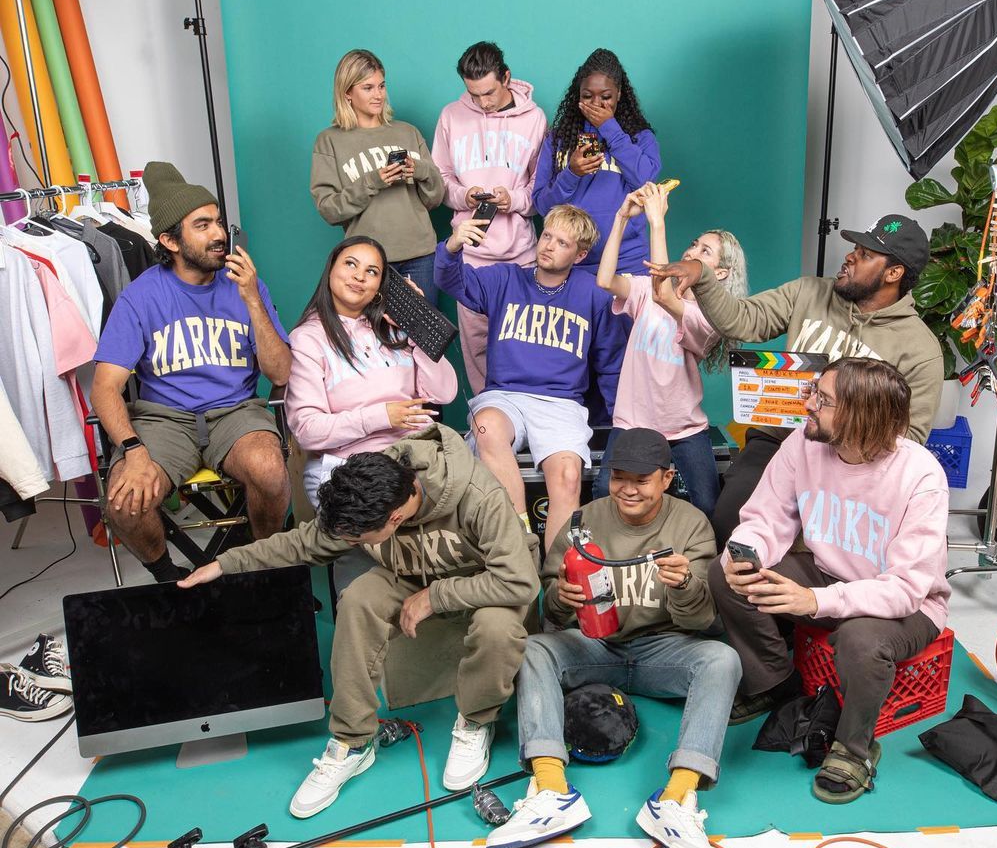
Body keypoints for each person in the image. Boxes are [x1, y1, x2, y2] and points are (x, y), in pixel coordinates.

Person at [179, 425, 540, 817]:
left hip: (489, 579)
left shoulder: (477, 495)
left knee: (496, 629)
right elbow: (303, 543)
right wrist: (226, 564)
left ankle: (476, 722)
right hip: (413, 575)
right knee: (357, 600)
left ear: (396, 518)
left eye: (358, 541)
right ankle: (353, 743)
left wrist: (435, 597)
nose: (352, 545)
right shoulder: (367, 491)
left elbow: (519, 580)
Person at [486, 428, 737, 848]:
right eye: (620, 477)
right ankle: (551, 789)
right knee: (534, 649)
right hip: (596, 646)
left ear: (667, 478)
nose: (628, 489)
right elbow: (550, 608)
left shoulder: (691, 525)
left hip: (662, 649)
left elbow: (701, 621)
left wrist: (684, 585)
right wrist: (561, 597)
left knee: (722, 659)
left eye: (642, 480)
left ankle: (676, 797)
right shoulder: (583, 521)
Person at [708, 357, 949, 803]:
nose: (807, 404)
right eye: (814, 393)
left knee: (860, 640)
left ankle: (855, 748)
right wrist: (746, 552)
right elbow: (766, 517)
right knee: (726, 575)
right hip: (825, 577)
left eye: (823, 399)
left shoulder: (921, 475)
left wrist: (814, 601)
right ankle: (774, 684)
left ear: (862, 416)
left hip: (907, 606)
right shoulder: (803, 443)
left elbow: (905, 588)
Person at [647, 212, 943, 547]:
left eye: (865, 255)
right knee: (729, 522)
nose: (850, 257)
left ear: (893, 273)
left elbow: (908, 438)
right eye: (855, 249)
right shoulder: (809, 292)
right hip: (778, 442)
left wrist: (844, 429)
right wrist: (702, 276)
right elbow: (744, 320)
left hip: (853, 465)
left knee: (817, 544)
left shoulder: (920, 350)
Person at [90, 162, 292, 583]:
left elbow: (281, 373)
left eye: (218, 222)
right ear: (170, 241)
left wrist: (252, 300)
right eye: (202, 225)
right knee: (124, 502)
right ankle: (170, 581)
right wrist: (133, 450)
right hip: (164, 421)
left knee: (270, 471)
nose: (218, 234)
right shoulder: (140, 296)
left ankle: (259, 570)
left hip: (235, 413)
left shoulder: (247, 286)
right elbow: (105, 387)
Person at [435, 204, 626, 551]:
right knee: (486, 426)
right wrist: (452, 246)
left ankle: (555, 571)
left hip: (560, 403)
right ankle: (521, 543)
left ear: (580, 254)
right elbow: (450, 280)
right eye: (547, 236)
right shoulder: (506, 279)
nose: (549, 246)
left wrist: (621, 423)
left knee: (568, 475)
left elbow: (610, 362)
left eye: (562, 243)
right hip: (504, 397)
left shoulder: (594, 293)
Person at [595, 180, 746, 516]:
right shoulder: (646, 292)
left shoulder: (711, 319)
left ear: (721, 273)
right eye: (694, 244)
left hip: (683, 426)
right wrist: (621, 217)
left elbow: (663, 295)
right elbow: (605, 280)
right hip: (633, 421)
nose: (692, 252)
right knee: (603, 492)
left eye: (705, 251)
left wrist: (657, 221)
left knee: (707, 504)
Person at [286, 235, 458, 506]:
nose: (359, 276)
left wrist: (417, 324)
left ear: (380, 286)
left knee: (479, 492)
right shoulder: (308, 339)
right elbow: (307, 430)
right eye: (350, 264)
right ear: (330, 271)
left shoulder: (395, 330)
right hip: (352, 467)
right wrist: (382, 416)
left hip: (417, 455)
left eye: (372, 271)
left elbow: (445, 392)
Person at [431, 41, 548, 395]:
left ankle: (527, 417)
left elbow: (541, 190)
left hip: (521, 257)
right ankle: (486, 420)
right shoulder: (451, 116)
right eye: (474, 94)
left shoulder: (534, 119)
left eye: (489, 93)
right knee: (478, 355)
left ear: (506, 78)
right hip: (471, 258)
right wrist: (463, 195)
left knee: (527, 349)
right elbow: (439, 181)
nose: (482, 102)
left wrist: (511, 199)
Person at [310, 49, 445, 303]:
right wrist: (372, 182)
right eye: (368, 88)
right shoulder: (329, 141)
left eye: (381, 86)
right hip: (367, 262)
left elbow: (435, 198)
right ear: (347, 93)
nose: (378, 95)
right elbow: (329, 209)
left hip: (420, 256)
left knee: (424, 329)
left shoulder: (408, 132)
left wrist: (420, 170)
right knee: (369, 329)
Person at [532, 48, 660, 275]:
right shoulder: (559, 139)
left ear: (619, 94)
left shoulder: (640, 137)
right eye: (587, 96)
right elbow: (542, 206)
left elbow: (645, 184)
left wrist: (609, 128)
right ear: (578, 95)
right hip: (570, 263)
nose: (596, 104)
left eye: (606, 97)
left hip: (626, 262)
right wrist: (571, 173)